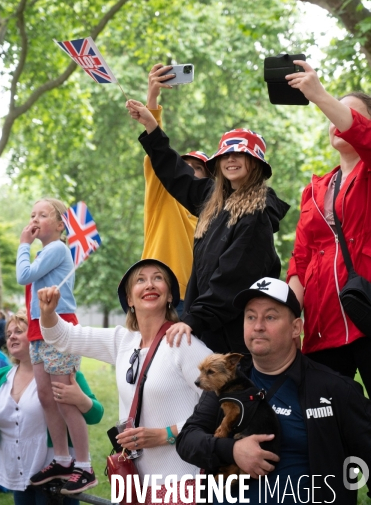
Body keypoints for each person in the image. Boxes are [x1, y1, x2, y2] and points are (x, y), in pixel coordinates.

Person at [176, 277, 371, 505]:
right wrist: (232, 450)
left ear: (295, 328)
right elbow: (188, 441)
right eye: (251, 317)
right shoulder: (225, 383)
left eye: (270, 317)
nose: (258, 326)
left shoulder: (335, 390)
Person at [38, 258, 212, 505]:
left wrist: (167, 434)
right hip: (132, 484)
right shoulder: (123, 341)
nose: (149, 284)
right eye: (140, 280)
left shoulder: (183, 344)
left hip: (180, 483)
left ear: (171, 295)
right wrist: (47, 312)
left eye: (158, 278)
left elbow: (224, 403)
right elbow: (62, 337)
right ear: (129, 299)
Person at [126, 100, 289, 354]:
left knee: (224, 393)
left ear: (255, 163)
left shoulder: (256, 215)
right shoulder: (213, 200)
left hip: (233, 338)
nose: (231, 159)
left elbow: (231, 280)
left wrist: (192, 321)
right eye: (225, 154)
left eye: (240, 154)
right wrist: (150, 125)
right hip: (205, 329)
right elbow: (176, 173)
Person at [285, 61, 371, 395]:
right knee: (323, 420)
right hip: (324, 322)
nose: (335, 121)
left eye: (347, 114)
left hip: (367, 309)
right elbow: (300, 259)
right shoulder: (315, 190)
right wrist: (292, 317)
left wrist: (319, 94)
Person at [0, 310, 104, 505]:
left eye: (19, 331)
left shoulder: (60, 373)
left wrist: (79, 398)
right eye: (9, 334)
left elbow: (96, 415)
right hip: (17, 474)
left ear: (37, 336)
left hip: (55, 477)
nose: (12, 337)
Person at [16, 198, 96, 493]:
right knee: (46, 397)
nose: (34, 219)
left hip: (59, 324)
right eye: (31, 214)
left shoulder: (57, 248)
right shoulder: (43, 252)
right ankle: (62, 459)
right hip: (38, 328)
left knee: (64, 397)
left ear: (61, 226)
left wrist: (24, 243)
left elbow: (22, 275)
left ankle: (84, 466)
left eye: (42, 215)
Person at [141, 64, 210, 317]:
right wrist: (152, 100)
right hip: (155, 294)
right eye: (185, 166)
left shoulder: (214, 213)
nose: (190, 171)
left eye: (198, 168)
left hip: (195, 301)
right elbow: (156, 153)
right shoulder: (164, 195)